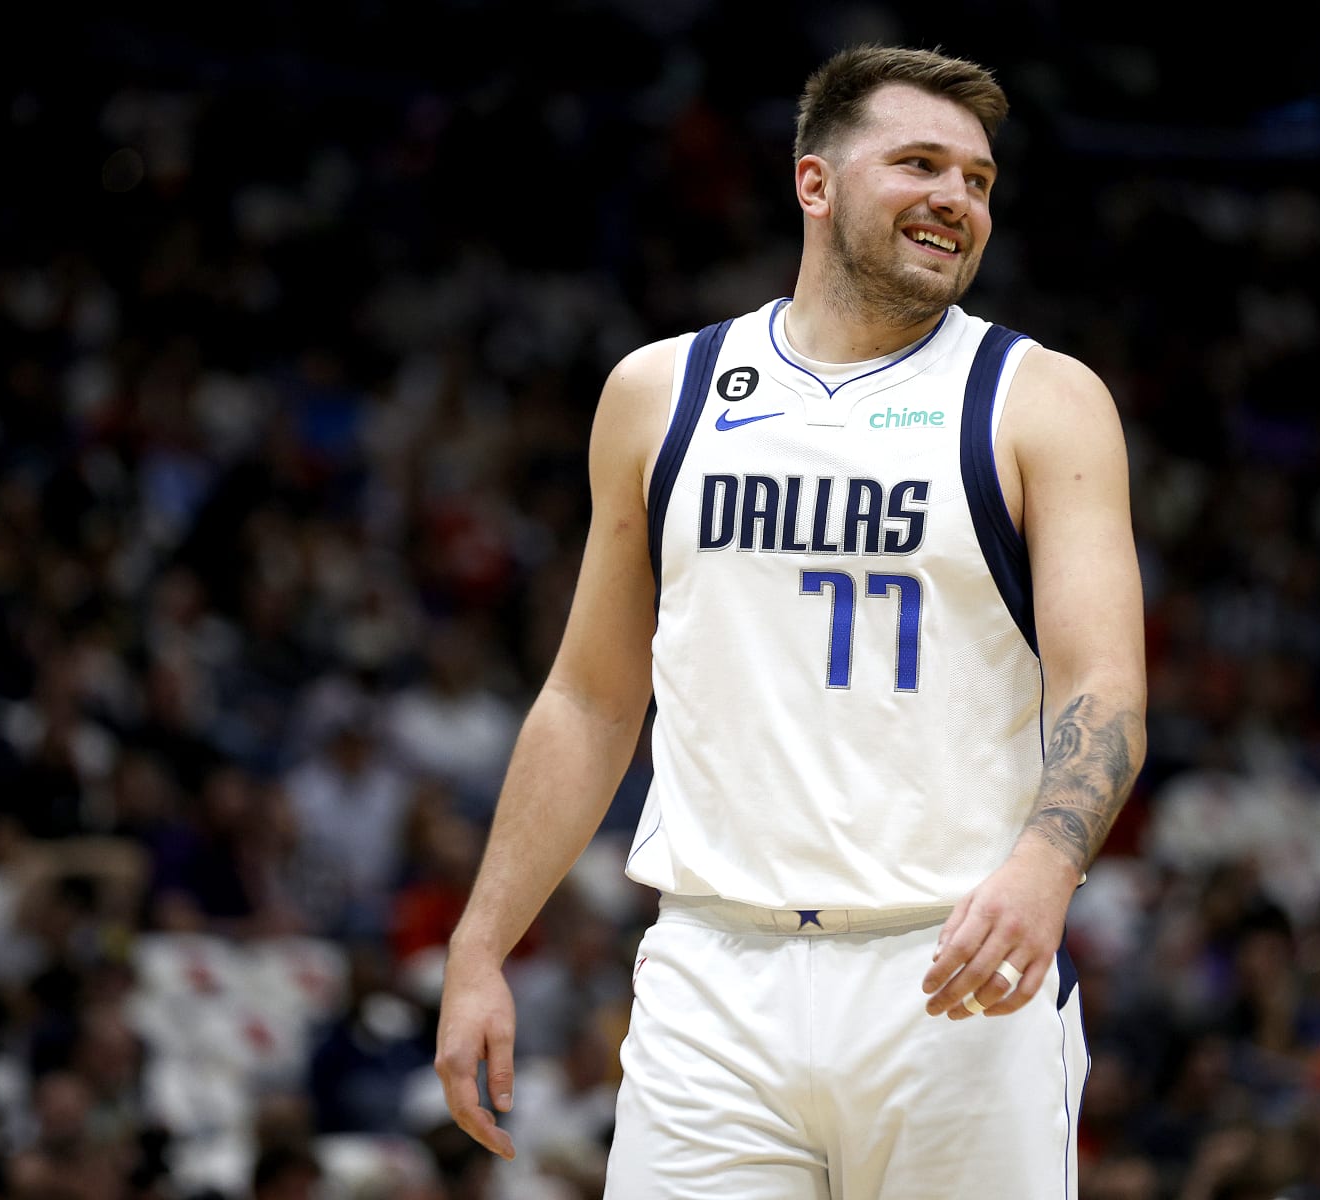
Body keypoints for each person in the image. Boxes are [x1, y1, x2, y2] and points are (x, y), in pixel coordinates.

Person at [436, 44, 1147, 1198]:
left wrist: (1046, 863)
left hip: (954, 971)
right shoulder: (661, 394)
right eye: (920, 163)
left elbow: (1102, 684)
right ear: (814, 183)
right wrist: (480, 944)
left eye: (978, 181)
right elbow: (590, 695)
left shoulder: (1040, 399)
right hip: (714, 978)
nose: (956, 199)